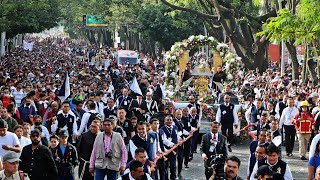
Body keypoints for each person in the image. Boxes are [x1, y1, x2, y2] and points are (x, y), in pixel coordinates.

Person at [159, 115, 181, 180]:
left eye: (170, 120)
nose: (169, 121)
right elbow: (164, 140)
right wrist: (172, 144)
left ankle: (173, 178)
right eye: (167, 120)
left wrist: (180, 140)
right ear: (164, 121)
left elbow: (177, 136)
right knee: (165, 167)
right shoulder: (161, 129)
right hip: (165, 151)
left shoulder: (175, 127)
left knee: (173, 166)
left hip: (174, 151)